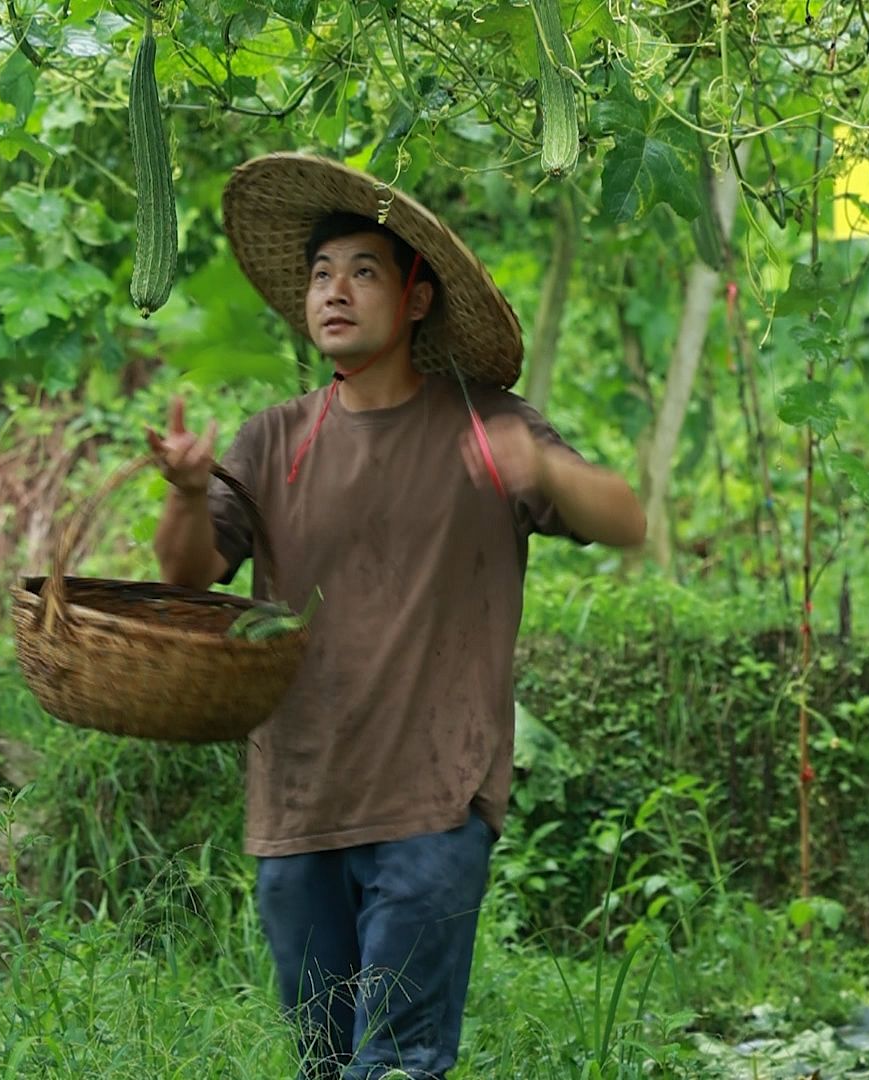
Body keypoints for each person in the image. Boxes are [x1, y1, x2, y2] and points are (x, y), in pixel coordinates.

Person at [145, 153, 646, 1080]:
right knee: (325, 1063)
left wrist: (545, 471)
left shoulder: (487, 426)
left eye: (364, 272)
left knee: (398, 1064)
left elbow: (625, 519)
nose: (334, 293)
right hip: (296, 803)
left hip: (433, 801)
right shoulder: (274, 439)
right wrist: (183, 490)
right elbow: (190, 572)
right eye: (320, 276)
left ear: (417, 299)